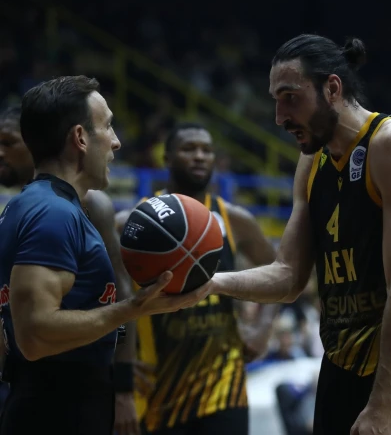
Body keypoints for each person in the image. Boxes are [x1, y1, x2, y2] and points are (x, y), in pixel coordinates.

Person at [203, 34, 391, 435]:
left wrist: (383, 405)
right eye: (276, 100)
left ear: (332, 88)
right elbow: (288, 276)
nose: (279, 116)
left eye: (290, 98)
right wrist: (211, 283)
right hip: (339, 363)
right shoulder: (311, 161)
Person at [0, 76, 209, 435]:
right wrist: (132, 309)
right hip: (56, 409)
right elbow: (33, 335)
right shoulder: (52, 212)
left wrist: (121, 332)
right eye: (108, 126)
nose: (116, 141)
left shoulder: (45, 205)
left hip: (61, 398)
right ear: (80, 138)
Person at [115, 122, 279, 435]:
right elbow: (112, 298)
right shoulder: (133, 224)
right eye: (189, 149)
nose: (200, 156)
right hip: (157, 389)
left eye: (207, 150)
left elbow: (279, 273)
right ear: (167, 158)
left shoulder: (235, 219)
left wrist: (262, 329)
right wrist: (119, 360)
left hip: (223, 387)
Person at [0, 103, 142, 435]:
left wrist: (122, 381)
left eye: (8, 142)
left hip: (72, 385)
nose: (1, 153)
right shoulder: (28, 207)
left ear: (33, 142)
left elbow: (117, 293)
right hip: (41, 385)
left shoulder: (88, 204)